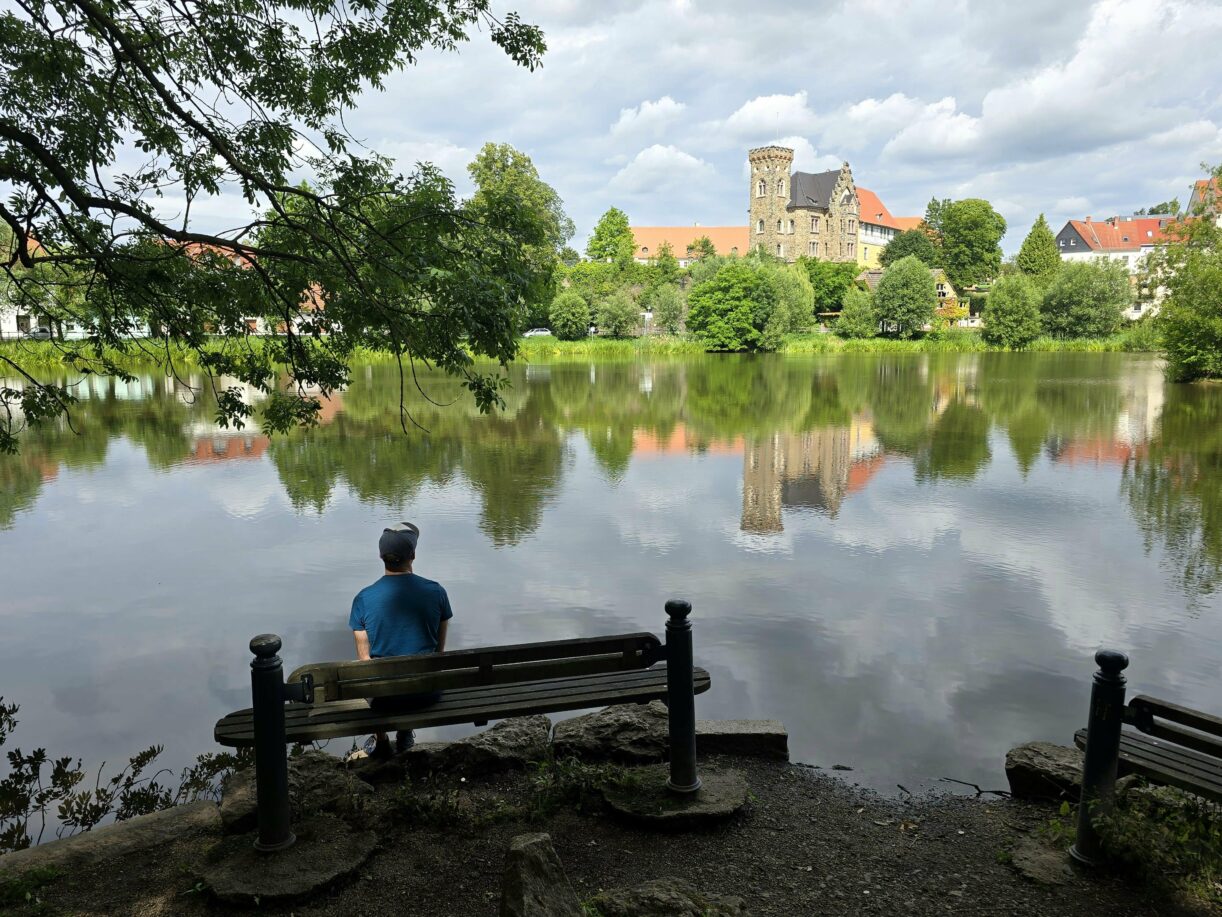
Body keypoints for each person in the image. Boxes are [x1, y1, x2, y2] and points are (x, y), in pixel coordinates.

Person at [349, 522, 452, 757]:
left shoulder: (363, 599)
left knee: (367, 675)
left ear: (380, 556)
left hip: (385, 700)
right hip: (427, 694)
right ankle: (405, 734)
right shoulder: (437, 592)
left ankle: (381, 739)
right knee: (419, 663)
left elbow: (364, 661)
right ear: (413, 556)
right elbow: (438, 651)